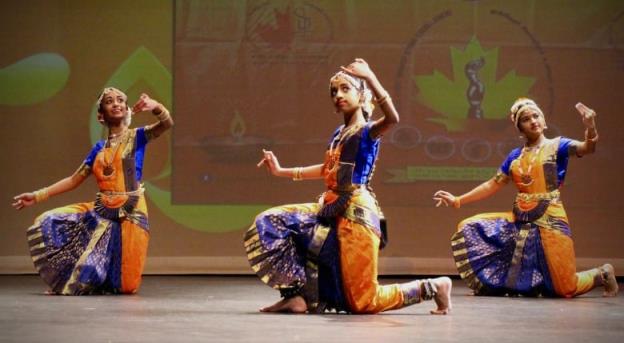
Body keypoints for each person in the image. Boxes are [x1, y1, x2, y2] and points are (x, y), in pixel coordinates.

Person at [244, 58, 452, 314]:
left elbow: (393, 118)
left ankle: (433, 287)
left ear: (361, 95)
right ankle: (295, 296)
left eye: (345, 89)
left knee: (363, 302)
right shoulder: (338, 134)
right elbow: (326, 170)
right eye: (334, 91)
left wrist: (371, 77)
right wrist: (281, 171)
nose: (338, 95)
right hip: (330, 210)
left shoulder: (367, 132)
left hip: (357, 217)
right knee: (272, 222)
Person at [433, 98, 618, 298]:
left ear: (544, 121)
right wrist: (458, 200)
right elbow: (492, 184)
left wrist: (590, 127)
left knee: (566, 288)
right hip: (520, 220)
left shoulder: (559, 145)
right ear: (519, 128)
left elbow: (587, 148)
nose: (533, 121)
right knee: (469, 226)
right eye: (526, 119)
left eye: (536, 116)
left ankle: (602, 274)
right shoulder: (515, 156)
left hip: (550, 220)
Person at [12, 87, 173, 295]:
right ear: (101, 116)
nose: (115, 103)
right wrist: (37, 196)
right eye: (109, 101)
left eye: (120, 100)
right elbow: (73, 180)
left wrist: (156, 107)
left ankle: (97, 281)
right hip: (103, 209)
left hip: (132, 212)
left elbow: (166, 124)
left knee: (127, 286)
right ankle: (67, 281)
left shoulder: (138, 137)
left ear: (126, 109)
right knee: (50, 219)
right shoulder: (98, 149)